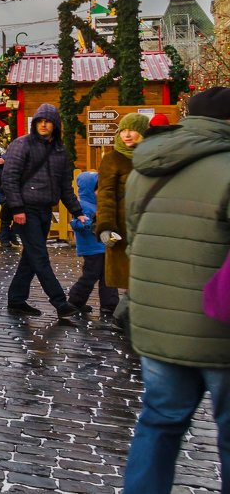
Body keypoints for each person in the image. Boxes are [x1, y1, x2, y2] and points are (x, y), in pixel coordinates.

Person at [122, 87, 230, 492]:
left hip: (156, 319)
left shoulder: (145, 166)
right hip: (220, 327)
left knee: (159, 421)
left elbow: (136, 239)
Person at [2, 103, 85, 320]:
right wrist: (17, 208)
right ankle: (59, 302)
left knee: (31, 256)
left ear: (55, 125)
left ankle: (16, 299)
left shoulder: (60, 151)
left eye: (48, 121)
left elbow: (65, 186)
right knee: (40, 256)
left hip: (45, 210)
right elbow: (9, 178)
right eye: (40, 121)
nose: (43, 125)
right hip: (26, 211)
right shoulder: (22, 145)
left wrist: (77, 211)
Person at [97, 112, 150, 317]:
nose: (127, 135)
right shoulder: (113, 159)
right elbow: (106, 195)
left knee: (146, 277)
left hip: (149, 226)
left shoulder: (153, 156)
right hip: (123, 227)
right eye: (123, 130)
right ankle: (124, 319)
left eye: (133, 130)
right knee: (131, 277)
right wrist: (106, 226)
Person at [63, 172, 116, 316]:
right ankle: (75, 300)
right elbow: (76, 223)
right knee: (90, 275)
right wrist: (87, 223)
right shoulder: (83, 205)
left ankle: (109, 304)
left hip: (103, 246)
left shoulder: (101, 205)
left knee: (108, 275)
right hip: (91, 248)